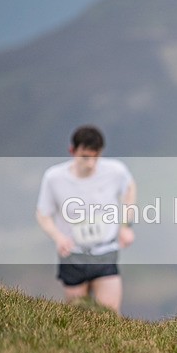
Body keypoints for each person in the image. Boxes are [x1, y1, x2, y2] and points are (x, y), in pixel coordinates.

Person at [36, 125, 137, 314]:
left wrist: (126, 226)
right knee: (77, 318)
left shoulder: (115, 171)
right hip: (73, 255)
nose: (90, 163)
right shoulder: (54, 178)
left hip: (105, 252)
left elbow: (130, 189)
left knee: (109, 317)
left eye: (95, 156)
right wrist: (58, 237)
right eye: (85, 157)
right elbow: (43, 214)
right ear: (72, 151)